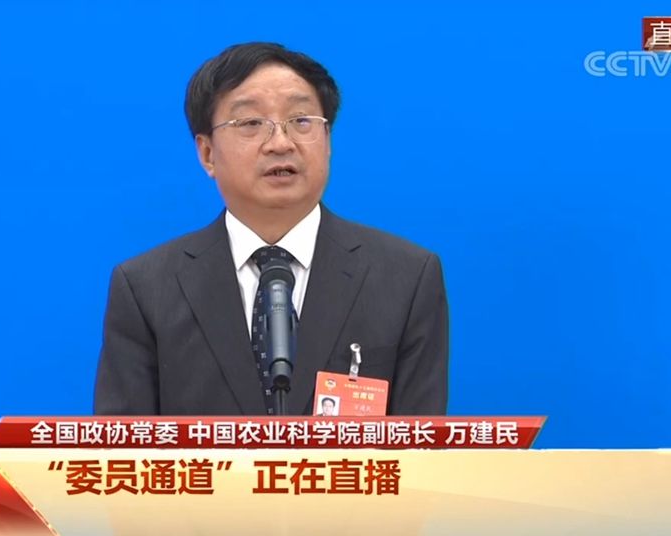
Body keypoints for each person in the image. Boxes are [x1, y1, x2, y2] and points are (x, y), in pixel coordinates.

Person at [94, 42, 448, 416]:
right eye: (251, 123)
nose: (281, 143)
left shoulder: (406, 278)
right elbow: (123, 444)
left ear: (327, 141)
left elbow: (421, 443)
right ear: (207, 154)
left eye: (301, 120)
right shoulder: (146, 288)